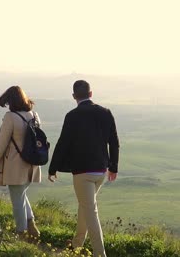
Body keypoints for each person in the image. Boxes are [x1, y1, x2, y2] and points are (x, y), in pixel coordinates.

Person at [48, 80, 120, 257]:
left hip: (82, 173)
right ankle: (76, 244)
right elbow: (114, 143)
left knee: (90, 210)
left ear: (74, 96)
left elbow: (63, 143)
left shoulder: (72, 116)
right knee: (85, 207)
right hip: (101, 171)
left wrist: (52, 168)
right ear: (91, 94)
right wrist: (114, 167)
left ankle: (99, 254)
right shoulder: (106, 112)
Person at [0, 86, 41, 240]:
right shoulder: (33, 115)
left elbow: (1, 146)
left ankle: (21, 233)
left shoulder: (10, 117)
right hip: (32, 164)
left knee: (17, 200)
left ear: (11, 101)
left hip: (15, 166)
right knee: (21, 194)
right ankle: (31, 225)